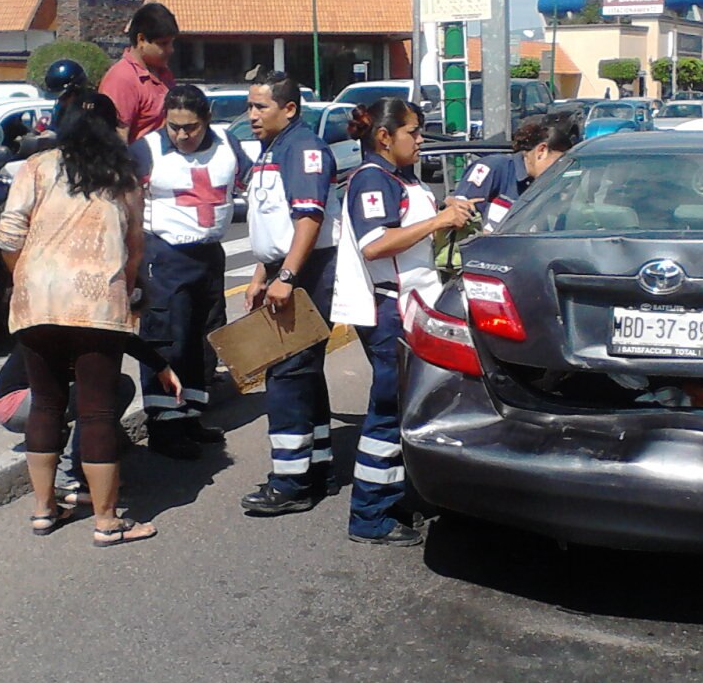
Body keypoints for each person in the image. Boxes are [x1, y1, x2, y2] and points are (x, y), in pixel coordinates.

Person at [0, 87, 154, 546]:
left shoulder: (36, 167)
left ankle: (44, 510)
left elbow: (8, 236)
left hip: (38, 302)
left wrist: (26, 277)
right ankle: (107, 521)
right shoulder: (123, 177)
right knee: (97, 409)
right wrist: (126, 290)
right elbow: (134, 247)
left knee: (46, 404)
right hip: (97, 303)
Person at [333, 97, 475, 546]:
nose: (420, 140)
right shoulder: (371, 179)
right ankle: (369, 513)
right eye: (412, 132)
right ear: (383, 136)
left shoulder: (401, 176)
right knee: (388, 410)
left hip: (414, 306)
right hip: (391, 310)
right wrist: (438, 220)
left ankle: (395, 496)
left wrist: (447, 213)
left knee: (407, 407)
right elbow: (376, 244)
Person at [131, 84, 250, 458]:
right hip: (165, 258)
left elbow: (255, 181)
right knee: (168, 341)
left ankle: (191, 415)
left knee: (203, 341)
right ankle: (165, 427)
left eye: (191, 127)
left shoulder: (228, 144)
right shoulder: (146, 149)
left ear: (207, 120)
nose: (182, 135)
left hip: (209, 256)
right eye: (175, 127)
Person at [240, 73, 340, 517]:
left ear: (290, 108)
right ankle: (315, 466)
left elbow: (308, 220)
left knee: (287, 374)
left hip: (308, 271)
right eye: (250, 106)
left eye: (260, 107)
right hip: (286, 268)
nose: (252, 115)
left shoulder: (303, 149)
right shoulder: (274, 147)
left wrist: (287, 275)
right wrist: (262, 273)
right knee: (302, 372)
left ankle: (290, 482)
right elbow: (274, 223)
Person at [0, 335, 167, 508]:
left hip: (17, 403)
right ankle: (67, 476)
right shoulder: (78, 330)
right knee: (117, 387)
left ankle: (50, 503)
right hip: (18, 403)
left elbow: (124, 339)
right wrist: (162, 367)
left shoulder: (55, 325)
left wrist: (161, 366)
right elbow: (122, 340)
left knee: (103, 393)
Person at [453, 115, 577, 229]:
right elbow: (457, 215)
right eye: (558, 162)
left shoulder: (543, 186)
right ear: (541, 151)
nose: (560, 169)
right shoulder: (494, 168)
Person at [99, 2, 178, 143]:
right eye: (163, 43)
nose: (171, 50)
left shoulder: (164, 73)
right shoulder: (122, 79)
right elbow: (117, 139)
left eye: (171, 43)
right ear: (141, 40)